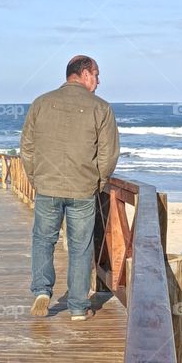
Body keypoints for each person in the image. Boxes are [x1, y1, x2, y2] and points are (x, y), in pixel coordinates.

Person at [20, 55, 120, 320]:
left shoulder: (40, 103)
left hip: (47, 186)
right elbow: (108, 155)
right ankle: (77, 307)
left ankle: (42, 290)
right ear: (84, 74)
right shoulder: (101, 108)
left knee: (43, 239)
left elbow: (27, 148)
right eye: (97, 75)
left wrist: (35, 178)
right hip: (83, 188)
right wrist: (97, 181)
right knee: (80, 246)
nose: (99, 81)